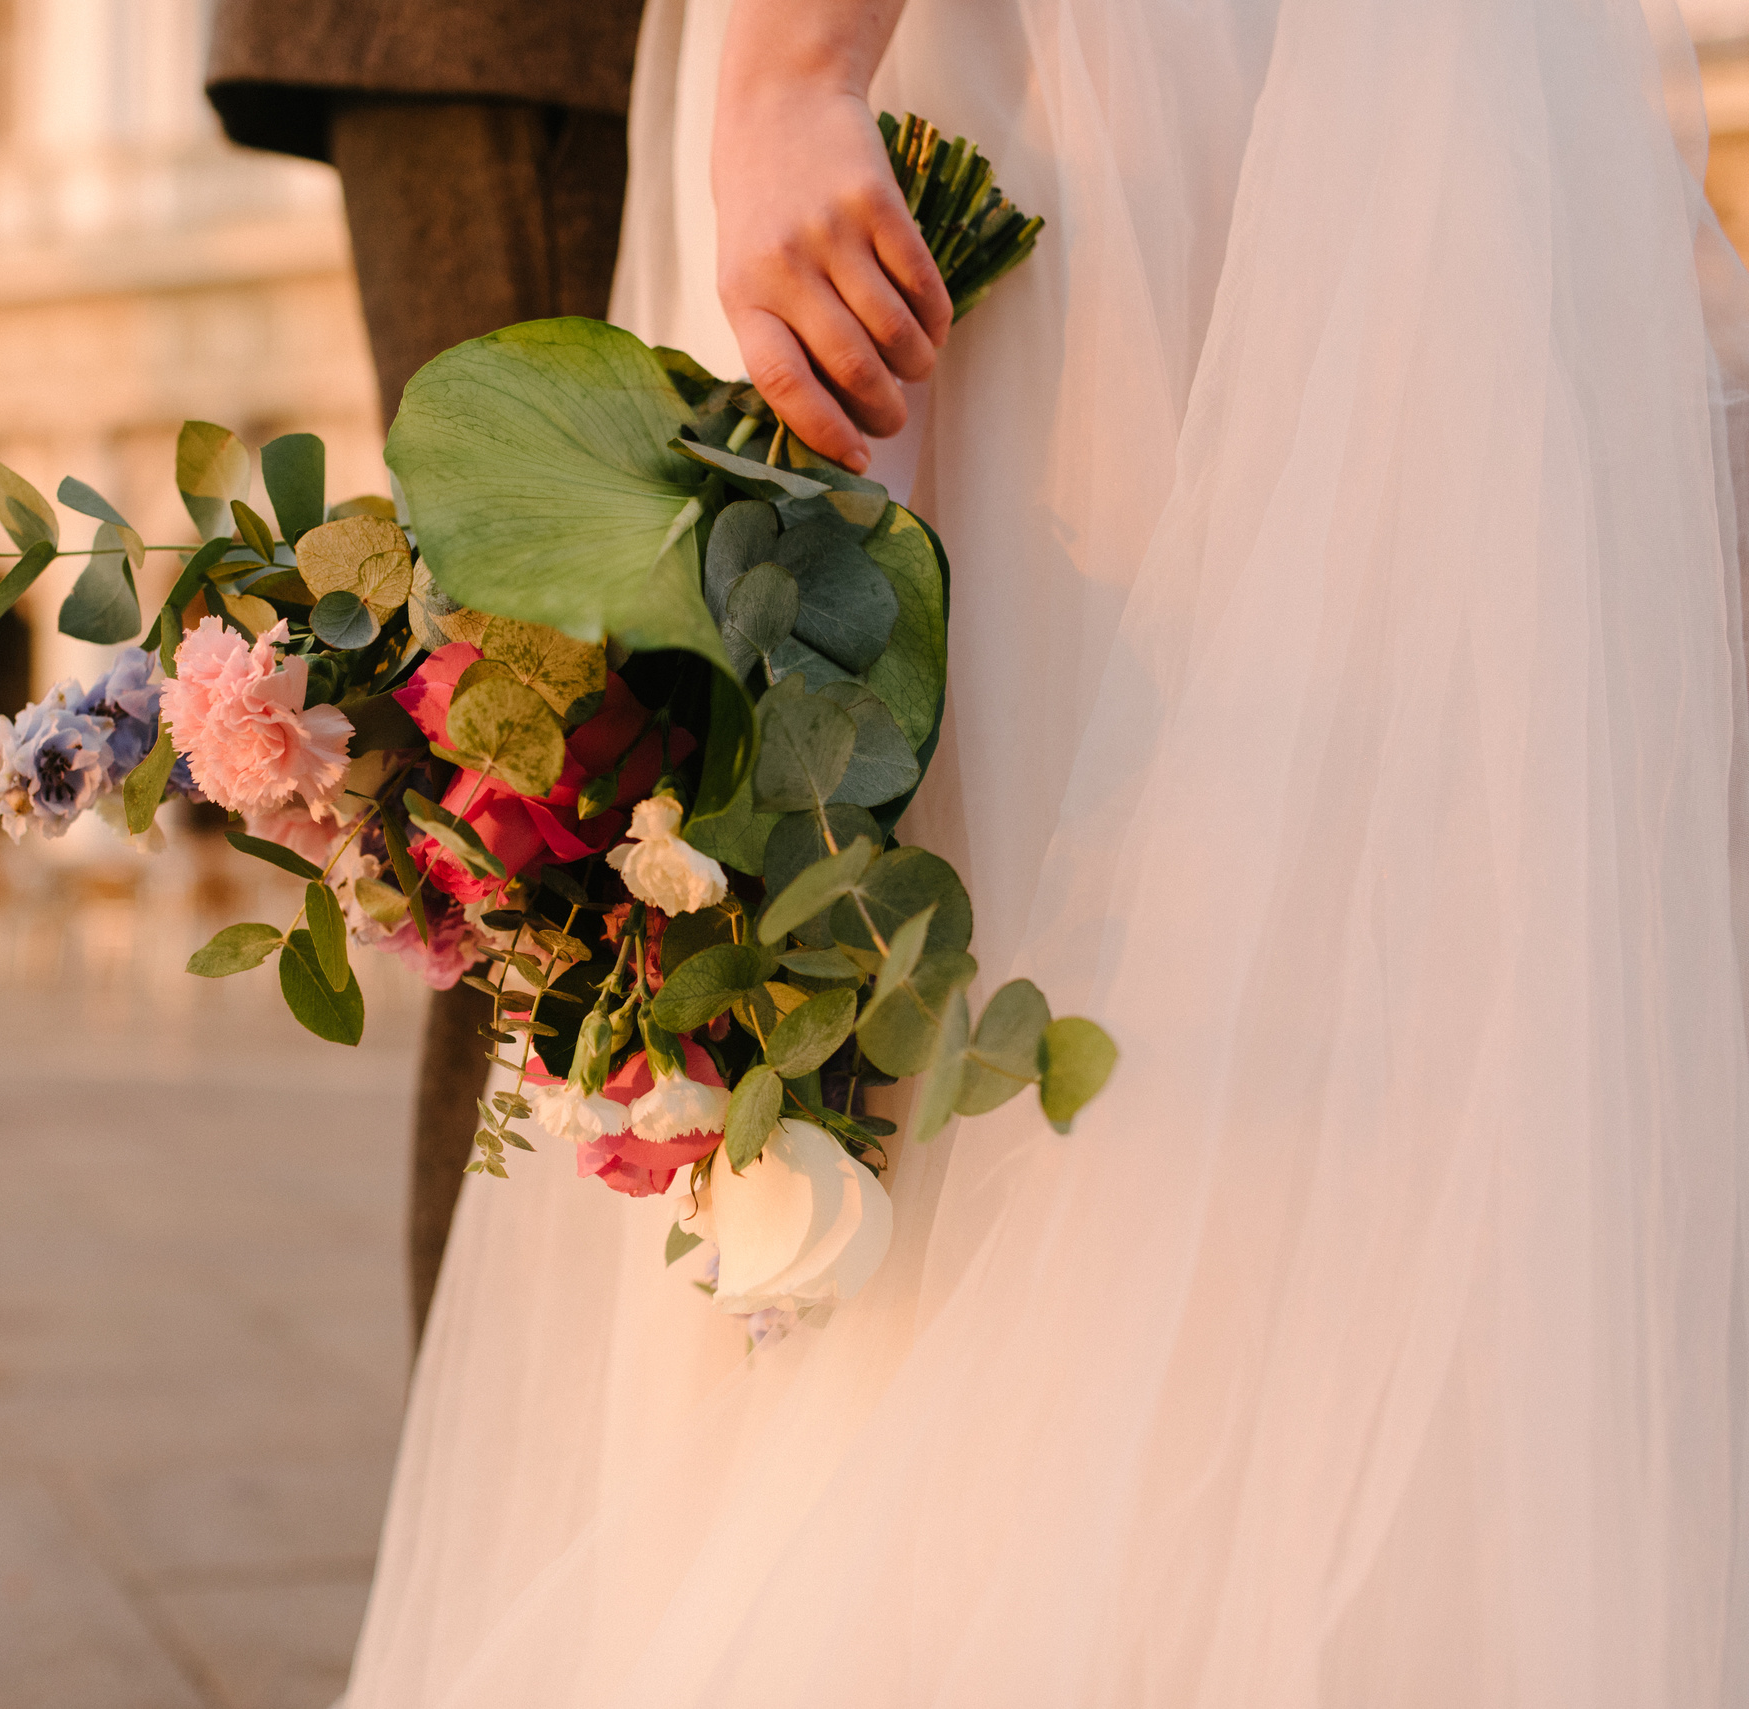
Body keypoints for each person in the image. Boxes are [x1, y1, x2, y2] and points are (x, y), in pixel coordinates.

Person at [339, 0, 1749, 1703]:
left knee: (1035, 929)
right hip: (1341, 99)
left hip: (1077, 87)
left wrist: (796, 69)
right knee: (1296, 951)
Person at [206, 0, 649, 1346]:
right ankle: (506, 1486)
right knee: (543, 774)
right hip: (498, 41)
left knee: (559, 771)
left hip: (514, 53)